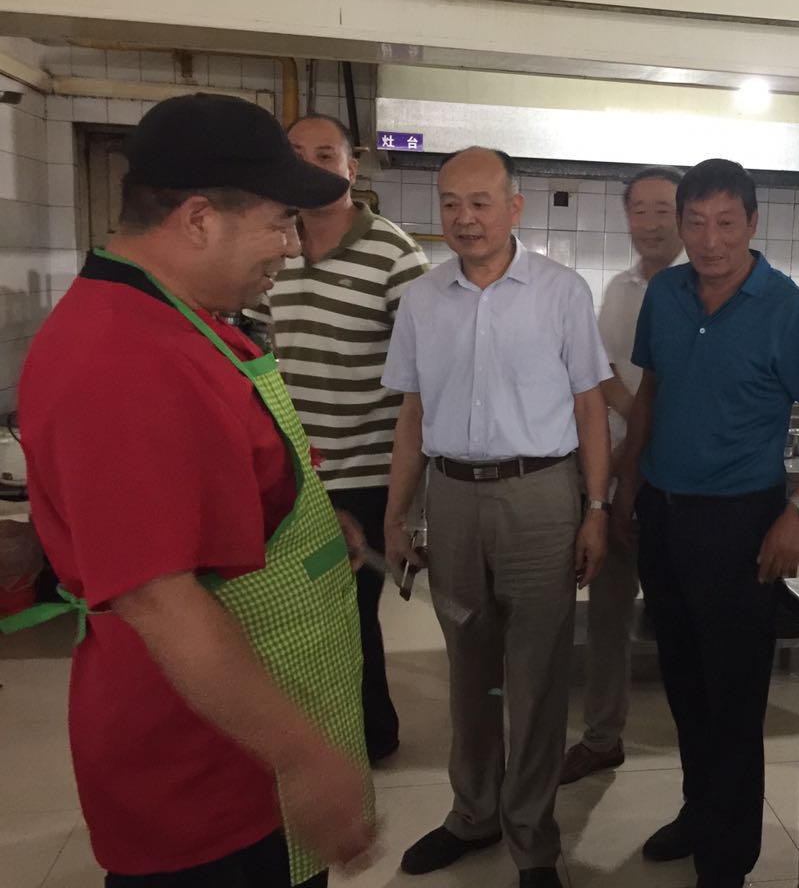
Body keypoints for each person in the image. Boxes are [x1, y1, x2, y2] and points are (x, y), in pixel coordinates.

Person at [7, 94, 375, 887]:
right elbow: (159, 599)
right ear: (200, 219)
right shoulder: (122, 357)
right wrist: (306, 759)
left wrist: (309, 524)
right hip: (206, 774)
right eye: (280, 222)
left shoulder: (187, 320)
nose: (291, 246)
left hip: (242, 744)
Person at [380, 147, 611, 888]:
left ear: (515, 208)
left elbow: (590, 408)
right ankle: (473, 812)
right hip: (450, 497)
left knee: (536, 676)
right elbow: (412, 414)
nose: (464, 218)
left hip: (540, 495)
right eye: (450, 203)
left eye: (480, 202)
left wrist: (596, 509)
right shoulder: (422, 300)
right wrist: (396, 514)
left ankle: (532, 839)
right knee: (468, 667)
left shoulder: (561, 292)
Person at [613, 158, 799, 888]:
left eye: (726, 223)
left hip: (741, 525)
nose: (710, 240)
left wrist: (797, 513)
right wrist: (626, 485)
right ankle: (699, 812)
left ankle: (727, 861)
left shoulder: (789, 309)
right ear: (680, 224)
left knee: (734, 699)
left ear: (752, 223)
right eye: (696, 222)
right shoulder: (667, 294)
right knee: (684, 684)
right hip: (664, 513)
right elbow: (651, 393)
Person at [248, 112, 429, 763]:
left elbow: (424, 378)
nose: (310, 165)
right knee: (309, 607)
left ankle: (366, 736)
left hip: (368, 470)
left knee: (347, 604)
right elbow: (258, 344)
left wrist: (409, 501)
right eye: (296, 153)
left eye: (325, 154)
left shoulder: (394, 254)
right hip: (296, 468)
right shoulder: (274, 245)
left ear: (353, 168)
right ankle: (344, 732)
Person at [560, 165, 686, 786]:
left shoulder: (701, 285)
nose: (651, 223)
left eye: (664, 210)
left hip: (675, 486)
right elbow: (600, 370)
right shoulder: (621, 287)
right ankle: (602, 737)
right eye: (640, 210)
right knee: (608, 616)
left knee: (682, 619)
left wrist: (642, 436)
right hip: (615, 480)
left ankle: (699, 743)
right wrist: (629, 437)